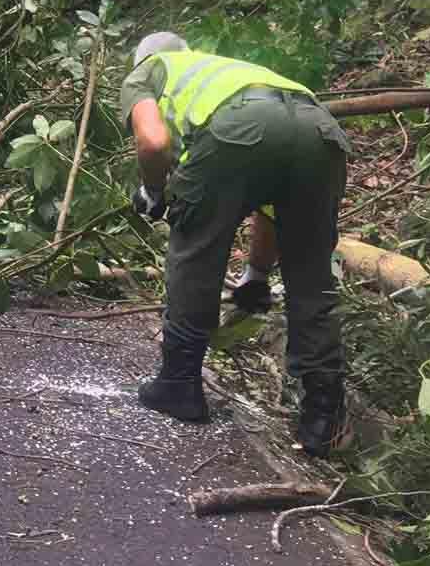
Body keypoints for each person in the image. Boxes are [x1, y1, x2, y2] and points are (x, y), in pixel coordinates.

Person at [119, 30, 352, 457]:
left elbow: (153, 142)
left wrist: (153, 192)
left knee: (196, 247)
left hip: (238, 128)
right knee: (312, 274)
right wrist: (256, 274)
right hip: (320, 131)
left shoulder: (149, 71)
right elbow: (270, 205)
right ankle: (324, 418)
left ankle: (179, 384)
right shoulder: (233, 71)